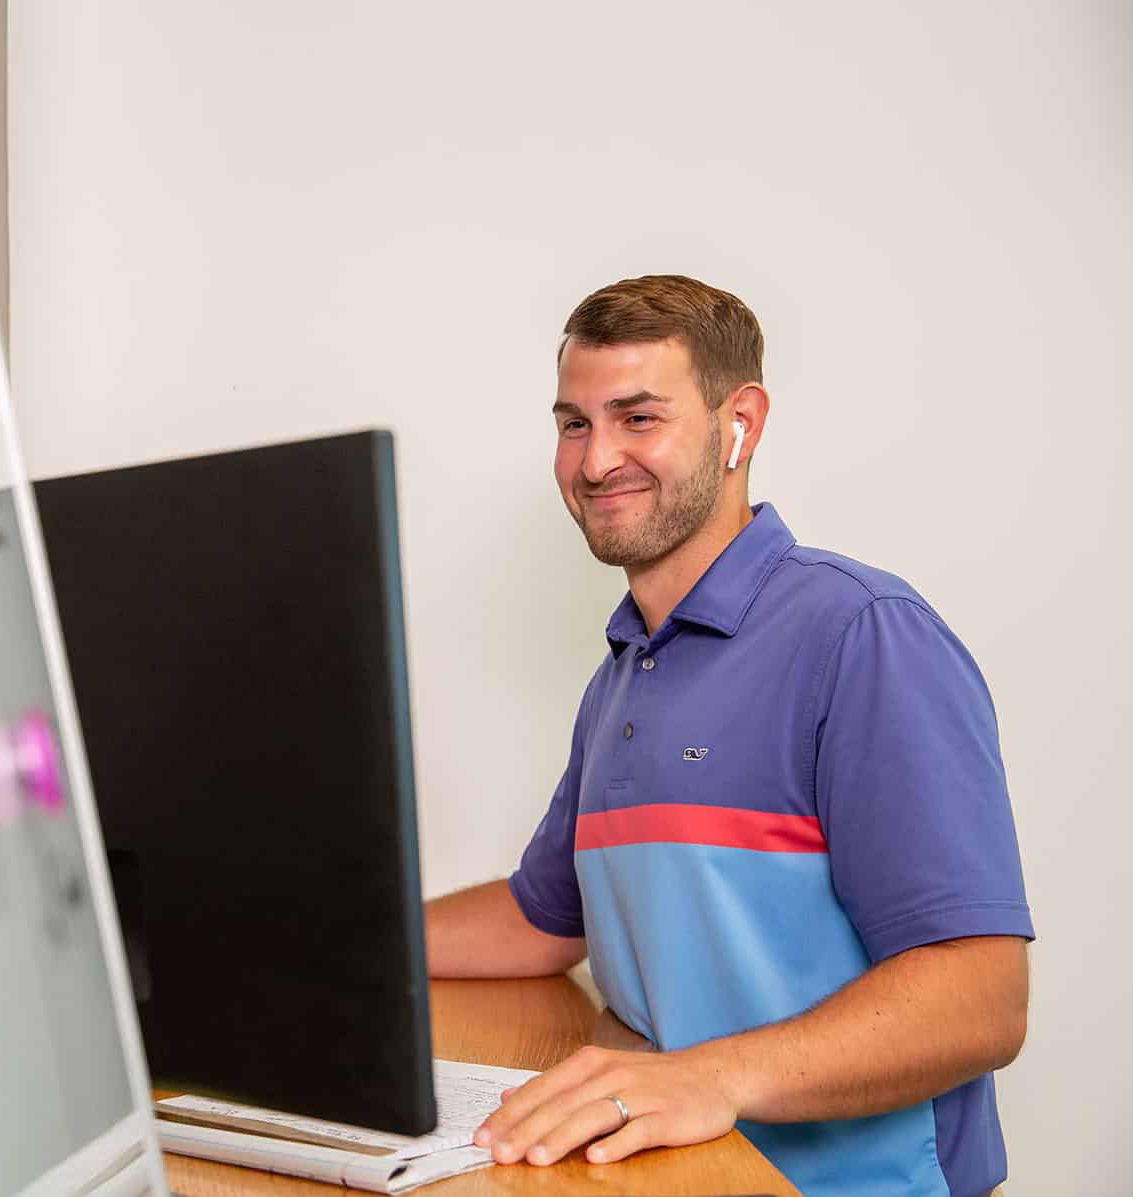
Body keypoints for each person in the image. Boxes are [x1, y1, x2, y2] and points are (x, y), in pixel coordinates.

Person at [424, 275, 1031, 1197]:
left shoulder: (862, 633)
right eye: (574, 423)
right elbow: (544, 918)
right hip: (682, 1176)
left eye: (637, 418)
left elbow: (982, 998)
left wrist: (713, 1074)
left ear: (738, 422)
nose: (595, 463)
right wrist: (332, 943)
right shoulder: (623, 671)